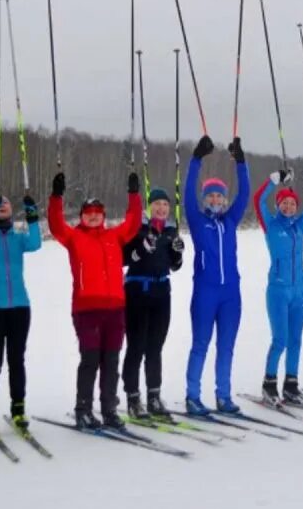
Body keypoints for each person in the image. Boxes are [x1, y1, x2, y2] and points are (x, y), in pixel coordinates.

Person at [48, 170, 144, 430]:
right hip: (87, 309)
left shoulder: (114, 237)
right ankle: (84, 409)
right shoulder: (74, 237)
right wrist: (56, 197)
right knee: (90, 359)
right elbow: (56, 225)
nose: (93, 215)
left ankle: (109, 409)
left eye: (98, 212)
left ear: (102, 216)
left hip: (115, 309)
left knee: (111, 362)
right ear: (82, 216)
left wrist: (134, 195)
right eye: (88, 211)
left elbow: (133, 223)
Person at [183, 135, 251, 415]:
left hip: (230, 294)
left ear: (224, 199)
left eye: (219, 195)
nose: (215, 199)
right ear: (205, 199)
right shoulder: (198, 222)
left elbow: (244, 193)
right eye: (210, 195)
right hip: (205, 293)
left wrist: (241, 163)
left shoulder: (231, 220)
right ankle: (192, 396)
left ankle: (223, 396)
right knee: (200, 344)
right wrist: (197, 159)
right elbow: (188, 192)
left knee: (226, 348)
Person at [253, 168, 303, 405]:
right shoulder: (271, 225)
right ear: (278, 205)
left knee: (296, 340)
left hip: (299, 291)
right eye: (284, 203)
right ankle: (269, 383)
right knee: (280, 340)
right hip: (278, 291)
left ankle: (291, 385)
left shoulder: (299, 227)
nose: (289, 207)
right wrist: (273, 180)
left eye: (292, 204)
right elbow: (258, 200)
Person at [0, 193, 42, 434]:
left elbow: (36, 243)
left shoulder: (18, 239)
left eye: (6, 203)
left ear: (12, 211)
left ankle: (18, 406)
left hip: (20, 307)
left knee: (16, 359)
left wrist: (33, 217)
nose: (3, 206)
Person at [121, 188, 185, 420]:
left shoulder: (170, 231)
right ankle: (133, 397)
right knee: (136, 347)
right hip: (138, 293)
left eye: (165, 205)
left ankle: (154, 396)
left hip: (161, 294)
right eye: (157, 204)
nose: (161, 208)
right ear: (149, 207)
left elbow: (174, 266)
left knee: (155, 348)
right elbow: (122, 258)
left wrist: (177, 254)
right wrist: (140, 250)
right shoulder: (137, 229)